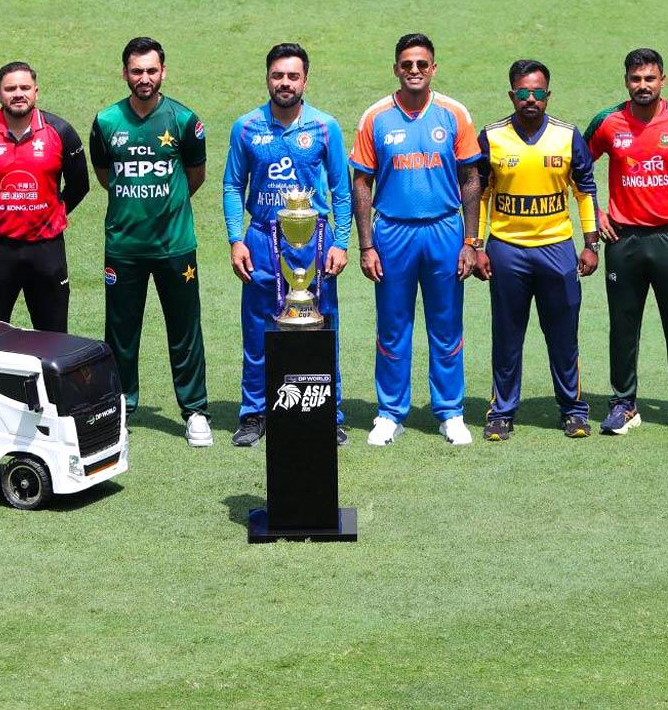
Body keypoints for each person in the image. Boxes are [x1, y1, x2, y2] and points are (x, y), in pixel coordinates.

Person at [350, 33, 483, 446]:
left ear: (433, 68)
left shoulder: (454, 113)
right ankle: (390, 413)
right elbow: (361, 183)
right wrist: (367, 246)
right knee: (393, 327)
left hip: (445, 231)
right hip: (393, 233)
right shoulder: (376, 117)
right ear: (396, 69)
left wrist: (471, 241)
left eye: (422, 64)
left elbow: (471, 178)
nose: (414, 71)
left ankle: (450, 412)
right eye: (406, 64)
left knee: (447, 324)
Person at [585, 48, 668, 437]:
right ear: (626, 81)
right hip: (622, 240)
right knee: (622, 327)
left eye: (649, 78)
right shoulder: (608, 123)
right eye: (635, 79)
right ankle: (623, 405)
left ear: (663, 80)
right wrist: (596, 213)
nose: (642, 85)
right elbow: (577, 167)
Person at [223, 43, 353, 447]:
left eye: (292, 76)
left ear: (305, 80)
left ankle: (328, 413)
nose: (285, 83)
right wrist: (236, 239)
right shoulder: (246, 127)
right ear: (267, 78)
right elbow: (232, 185)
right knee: (258, 328)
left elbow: (342, 190)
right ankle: (254, 413)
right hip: (262, 239)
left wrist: (341, 242)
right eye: (278, 75)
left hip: (314, 240)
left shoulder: (325, 127)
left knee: (322, 325)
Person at [89, 37, 212, 447]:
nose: (144, 78)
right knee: (121, 333)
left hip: (175, 247)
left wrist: (167, 207)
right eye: (137, 71)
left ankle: (195, 410)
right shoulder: (106, 121)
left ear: (163, 72)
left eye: (151, 70)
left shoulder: (184, 120)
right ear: (125, 73)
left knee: (185, 329)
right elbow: (106, 175)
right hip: (124, 247)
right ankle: (121, 408)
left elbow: (195, 175)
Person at [474, 59, 600, 440]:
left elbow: (585, 190)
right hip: (507, 250)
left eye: (538, 92)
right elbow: (480, 195)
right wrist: (477, 246)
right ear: (512, 94)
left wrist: (591, 243)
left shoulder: (567, 135)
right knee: (507, 336)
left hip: (556, 250)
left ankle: (573, 410)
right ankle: (501, 412)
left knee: (563, 335)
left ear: (548, 95)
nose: (531, 99)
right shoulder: (492, 137)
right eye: (524, 92)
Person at [0, 62, 89, 332]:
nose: (18, 94)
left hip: (46, 249)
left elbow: (79, 185)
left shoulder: (61, 132)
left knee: (53, 335)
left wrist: (51, 213)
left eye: (25, 87)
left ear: (36, 91)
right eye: (10, 88)